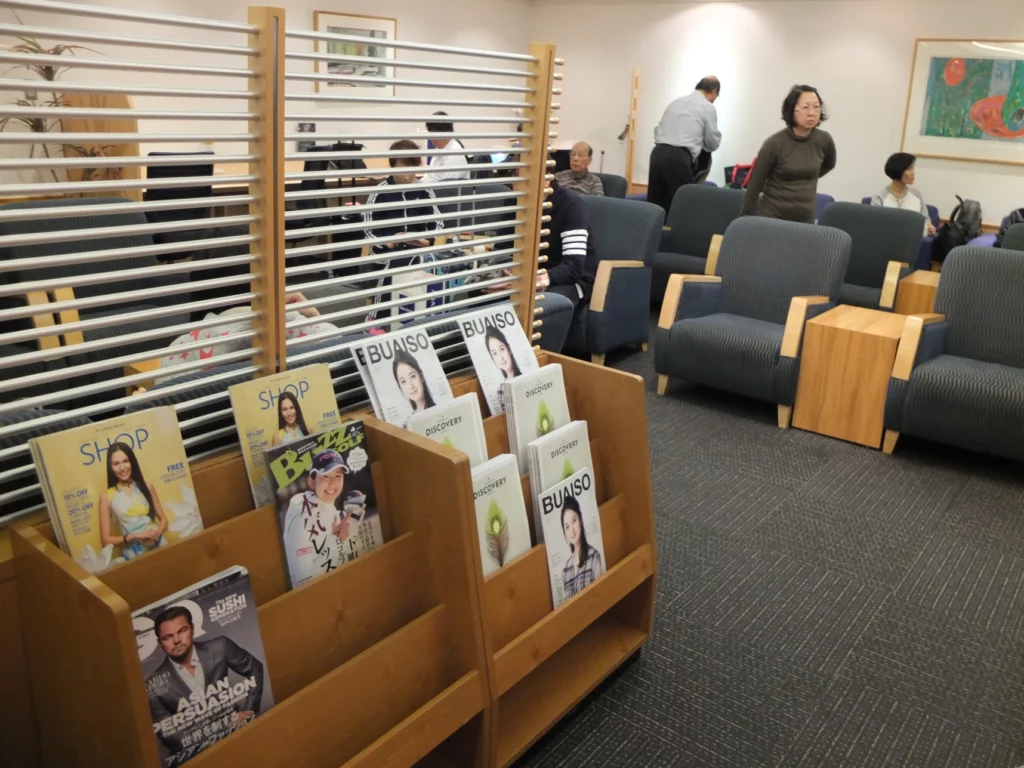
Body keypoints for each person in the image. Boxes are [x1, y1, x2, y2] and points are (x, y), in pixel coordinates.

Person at [145, 605, 264, 756]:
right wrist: (203, 744)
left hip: (236, 732)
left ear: (192, 629)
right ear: (160, 643)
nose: (176, 640)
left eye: (182, 631)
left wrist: (249, 709)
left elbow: (255, 668)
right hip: (197, 753)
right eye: (167, 637)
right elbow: (167, 732)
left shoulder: (221, 646)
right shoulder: (152, 685)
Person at [364, 139, 442, 324]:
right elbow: (368, 231)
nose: (407, 175)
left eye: (411, 169)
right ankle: (378, 319)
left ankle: (425, 318)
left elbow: (437, 224)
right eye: (402, 168)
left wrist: (426, 240)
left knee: (428, 261)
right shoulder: (380, 192)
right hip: (385, 251)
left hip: (416, 248)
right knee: (397, 263)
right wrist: (389, 241)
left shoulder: (423, 190)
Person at [740, 84, 837, 224]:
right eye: (805, 107)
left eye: (816, 107)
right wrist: (744, 221)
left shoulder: (824, 140)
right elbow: (754, 185)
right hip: (771, 217)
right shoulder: (774, 143)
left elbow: (829, 164)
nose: (812, 113)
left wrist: (805, 178)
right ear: (792, 110)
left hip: (805, 220)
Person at [281, 449, 357, 587]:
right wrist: (338, 539)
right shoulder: (302, 515)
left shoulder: (328, 507)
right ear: (311, 482)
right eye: (326, 476)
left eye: (338, 476)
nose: (332, 483)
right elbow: (305, 579)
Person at [647, 76, 722, 211]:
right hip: (678, 157)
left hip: (657, 153)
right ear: (714, 92)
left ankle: (653, 232)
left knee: (655, 206)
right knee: (685, 206)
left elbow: (658, 131)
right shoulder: (707, 107)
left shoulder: (675, 103)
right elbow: (712, 143)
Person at [98, 442, 168, 560]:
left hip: (160, 545)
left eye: (125, 461)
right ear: (111, 467)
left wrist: (157, 533)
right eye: (116, 464)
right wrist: (134, 536)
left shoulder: (147, 487)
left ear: (132, 462)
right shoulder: (106, 497)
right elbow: (105, 541)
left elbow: (164, 520)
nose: (122, 468)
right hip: (134, 555)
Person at [535, 180, 598, 310]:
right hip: (529, 276)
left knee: (540, 308)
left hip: (571, 281)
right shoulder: (515, 201)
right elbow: (503, 250)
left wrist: (537, 280)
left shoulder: (572, 205)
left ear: (545, 180)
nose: (515, 187)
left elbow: (574, 267)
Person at [871, 152, 935, 235]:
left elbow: (926, 221)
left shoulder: (916, 194)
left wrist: (929, 228)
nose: (913, 173)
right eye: (909, 169)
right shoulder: (880, 198)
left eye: (913, 168)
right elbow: (877, 226)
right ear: (898, 170)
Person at [561, 495, 604, 599]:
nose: (572, 530)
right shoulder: (565, 569)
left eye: (574, 520)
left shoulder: (594, 556)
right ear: (564, 532)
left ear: (581, 520)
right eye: (567, 527)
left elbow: (599, 596)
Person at [422, 111, 470, 182]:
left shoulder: (454, 154)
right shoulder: (439, 150)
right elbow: (430, 176)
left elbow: (446, 189)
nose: (430, 138)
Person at [392, 348, 436, 417]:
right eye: (403, 381)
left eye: (412, 376)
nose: (410, 386)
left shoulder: (439, 410)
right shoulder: (408, 423)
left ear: (421, 376)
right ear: (400, 386)